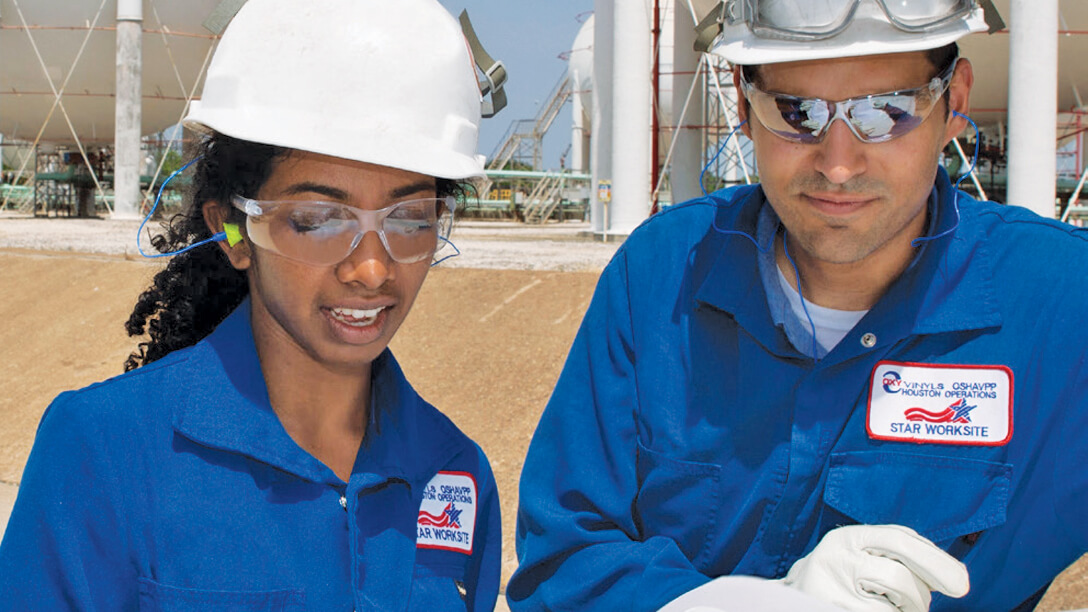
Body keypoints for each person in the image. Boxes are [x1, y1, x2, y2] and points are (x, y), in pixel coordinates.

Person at [508, 1, 1088, 611]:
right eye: (797, 113)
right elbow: (563, 560)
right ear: (743, 105)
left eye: (886, 112)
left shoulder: (1060, 303)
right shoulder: (663, 275)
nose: (838, 164)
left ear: (955, 101)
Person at [0, 0, 505, 609]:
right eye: (317, 220)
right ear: (235, 232)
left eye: (410, 219)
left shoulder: (452, 473)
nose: (372, 270)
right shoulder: (107, 452)